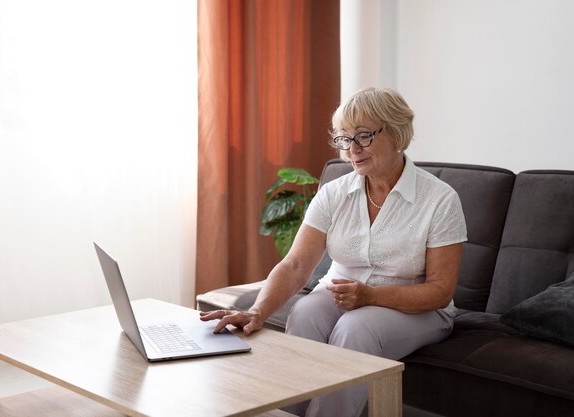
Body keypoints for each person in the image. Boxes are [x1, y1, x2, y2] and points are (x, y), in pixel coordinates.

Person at [200, 87, 467, 417]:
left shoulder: (440, 200)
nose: (352, 150)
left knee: (356, 328)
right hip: (343, 294)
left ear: (397, 132)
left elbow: (440, 291)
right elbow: (297, 263)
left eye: (364, 137)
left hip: (419, 309)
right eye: (344, 139)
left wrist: (370, 296)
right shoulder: (335, 193)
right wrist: (258, 311)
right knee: (305, 313)